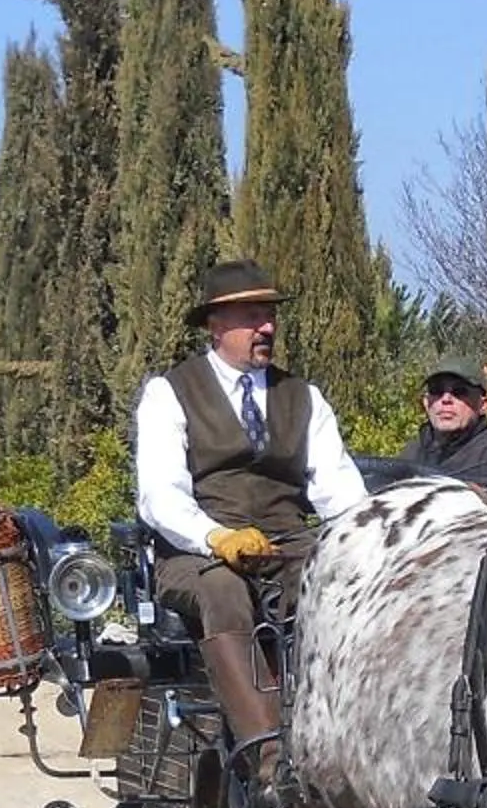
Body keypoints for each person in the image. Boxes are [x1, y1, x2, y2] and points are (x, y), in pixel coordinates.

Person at [132, 258, 368, 777]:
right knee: (223, 594)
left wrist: (366, 547)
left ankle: (350, 737)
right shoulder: (170, 394)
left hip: (286, 543)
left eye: (270, 315)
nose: (266, 327)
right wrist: (216, 536)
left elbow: (340, 492)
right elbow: (159, 495)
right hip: (196, 553)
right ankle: (271, 757)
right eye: (252, 316)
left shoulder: (303, 397)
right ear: (215, 325)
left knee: (347, 584)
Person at [394, 354, 487, 489]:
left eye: (459, 391)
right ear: (426, 402)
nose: (446, 399)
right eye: (436, 390)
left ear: (484, 405)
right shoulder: (412, 452)